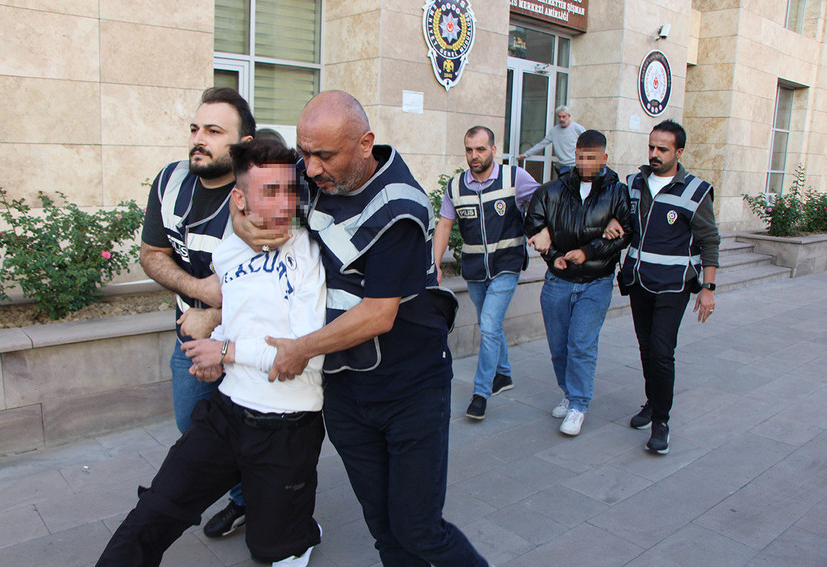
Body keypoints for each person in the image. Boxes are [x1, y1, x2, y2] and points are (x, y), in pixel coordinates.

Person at [232, 90, 492, 567]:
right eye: (303, 152)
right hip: (347, 394)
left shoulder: (400, 207)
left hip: (410, 391)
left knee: (420, 529)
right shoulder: (315, 174)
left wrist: (299, 350)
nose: (309, 170)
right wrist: (239, 218)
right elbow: (255, 186)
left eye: (323, 156)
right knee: (383, 529)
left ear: (365, 144)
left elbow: (378, 314)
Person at [97, 139, 327, 567]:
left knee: (271, 549)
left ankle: (301, 529)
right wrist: (213, 346)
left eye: (291, 191)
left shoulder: (311, 254)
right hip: (226, 413)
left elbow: (305, 356)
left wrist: (223, 350)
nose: (285, 205)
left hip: (286, 427)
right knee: (155, 511)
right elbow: (243, 313)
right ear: (239, 199)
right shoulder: (228, 250)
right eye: (270, 192)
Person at [139, 87, 254, 536]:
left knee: (260, 432)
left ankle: (280, 508)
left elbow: (279, 274)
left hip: (247, 341)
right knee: (194, 426)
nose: (198, 139)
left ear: (243, 145)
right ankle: (245, 499)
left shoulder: (260, 191)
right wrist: (200, 291)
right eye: (194, 128)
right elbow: (152, 253)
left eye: (213, 130)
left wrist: (217, 313)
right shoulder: (170, 182)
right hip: (189, 337)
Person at [619, 119, 720, 455]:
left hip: (674, 284)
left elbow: (709, 240)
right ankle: (652, 400)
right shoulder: (635, 183)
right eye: (651, 147)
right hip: (638, 281)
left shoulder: (695, 190)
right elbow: (625, 221)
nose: (654, 154)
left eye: (662, 149)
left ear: (679, 152)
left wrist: (709, 287)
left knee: (662, 352)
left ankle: (661, 419)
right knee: (646, 348)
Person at [524, 130, 632, 436]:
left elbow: (626, 233)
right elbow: (533, 221)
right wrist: (554, 254)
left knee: (581, 343)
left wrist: (587, 252)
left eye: (592, 158)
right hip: (558, 279)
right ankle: (569, 392)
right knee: (559, 346)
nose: (585, 163)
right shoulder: (554, 190)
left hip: (596, 280)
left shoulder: (617, 192)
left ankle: (579, 405)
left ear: (604, 158)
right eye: (581, 156)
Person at [433, 126, 539, 420]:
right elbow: (444, 224)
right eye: (469, 149)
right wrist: (436, 264)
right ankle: (503, 374)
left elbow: (545, 201)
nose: (474, 155)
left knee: (489, 325)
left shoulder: (514, 178)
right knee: (488, 322)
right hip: (475, 269)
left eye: (480, 149)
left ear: (494, 150)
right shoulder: (456, 186)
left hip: (508, 264)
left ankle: (481, 393)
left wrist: (543, 233)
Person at [520, 105, 585, 177]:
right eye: (559, 117)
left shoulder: (577, 128)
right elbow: (541, 144)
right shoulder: (554, 131)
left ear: (569, 116)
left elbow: (588, 142)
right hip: (563, 166)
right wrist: (526, 154)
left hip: (576, 165)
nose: (561, 119)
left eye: (564, 116)